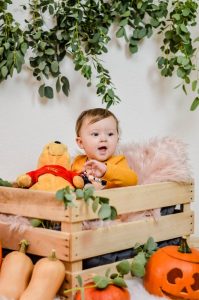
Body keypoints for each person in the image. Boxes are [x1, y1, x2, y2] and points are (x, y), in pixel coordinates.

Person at [71, 108, 138, 189]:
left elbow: (133, 180)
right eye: (95, 134)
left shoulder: (118, 161)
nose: (103, 139)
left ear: (117, 140)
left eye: (110, 134)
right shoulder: (78, 162)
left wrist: (106, 170)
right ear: (81, 143)